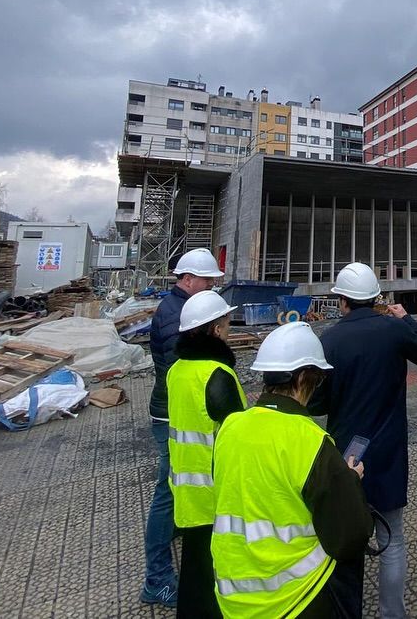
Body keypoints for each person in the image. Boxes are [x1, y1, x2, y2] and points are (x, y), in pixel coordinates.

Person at [211, 321, 374, 618]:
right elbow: (350, 536)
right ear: (302, 379)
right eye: (318, 380)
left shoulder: (230, 426)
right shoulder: (309, 441)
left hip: (233, 595)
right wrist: (349, 481)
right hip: (295, 596)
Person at [308, 262, 417, 618]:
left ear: (342, 300)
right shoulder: (393, 331)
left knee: (346, 541)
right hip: (389, 450)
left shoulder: (328, 340)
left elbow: (316, 402)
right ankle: (392, 613)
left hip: (343, 456)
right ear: (374, 296)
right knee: (392, 540)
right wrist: (406, 318)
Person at [141, 247, 224, 607]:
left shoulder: (175, 308)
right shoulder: (178, 318)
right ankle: (156, 580)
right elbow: (186, 376)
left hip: (167, 411)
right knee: (168, 490)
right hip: (172, 416)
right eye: (207, 281)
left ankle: (178, 526)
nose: (211, 288)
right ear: (187, 279)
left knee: (174, 487)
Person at [166, 290, 247, 617]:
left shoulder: (177, 371)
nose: (228, 330)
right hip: (215, 492)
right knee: (216, 576)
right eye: (226, 324)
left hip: (185, 489)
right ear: (215, 330)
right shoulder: (216, 375)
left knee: (194, 570)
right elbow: (237, 434)